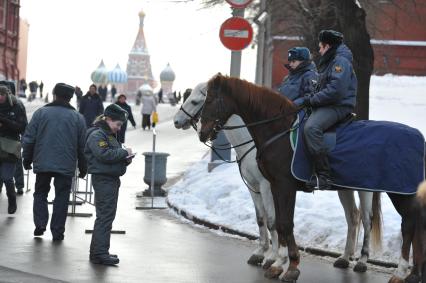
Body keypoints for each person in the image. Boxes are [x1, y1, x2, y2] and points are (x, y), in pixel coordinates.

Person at [22, 83, 87, 241]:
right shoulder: (78, 118)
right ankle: (57, 232)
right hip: (65, 165)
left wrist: (27, 158)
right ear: (71, 98)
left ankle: (40, 224)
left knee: (41, 193)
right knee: (62, 197)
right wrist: (83, 166)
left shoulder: (41, 113)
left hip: (43, 162)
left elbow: (29, 139)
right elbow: (82, 146)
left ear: (54, 94)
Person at [298, 30, 357, 191]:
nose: (319, 50)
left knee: (311, 128)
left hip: (339, 105)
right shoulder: (331, 60)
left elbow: (336, 91)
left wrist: (313, 100)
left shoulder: (340, 61)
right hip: (328, 103)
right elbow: (323, 86)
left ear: (328, 45)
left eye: (320, 47)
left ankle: (324, 176)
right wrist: (310, 97)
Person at [85, 104, 133, 265]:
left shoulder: (108, 135)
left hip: (110, 180)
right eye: (118, 124)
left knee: (106, 216)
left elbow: (111, 157)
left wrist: (125, 160)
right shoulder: (97, 135)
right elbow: (104, 155)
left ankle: (98, 252)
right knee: (105, 217)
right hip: (103, 180)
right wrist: (124, 152)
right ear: (108, 119)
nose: (119, 128)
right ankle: (99, 253)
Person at [0, 85, 27, 214]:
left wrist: (5, 122)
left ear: (7, 95)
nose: (0, 97)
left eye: (2, 94)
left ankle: (12, 200)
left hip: (10, 147)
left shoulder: (17, 106)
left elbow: (22, 127)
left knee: (6, 177)